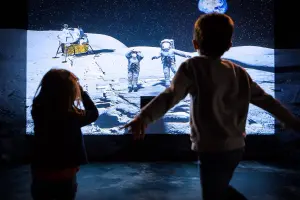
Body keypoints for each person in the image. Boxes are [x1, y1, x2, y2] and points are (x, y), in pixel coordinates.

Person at [121, 13, 300, 200]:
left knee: (213, 194)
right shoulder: (239, 73)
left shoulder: (192, 67)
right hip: (236, 148)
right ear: (229, 45)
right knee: (218, 190)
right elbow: (267, 101)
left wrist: (143, 117)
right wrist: (292, 121)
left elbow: (170, 96)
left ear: (195, 44)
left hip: (210, 149)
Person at [30, 68, 99, 200]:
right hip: (64, 176)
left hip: (40, 172)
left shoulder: (38, 109)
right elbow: (94, 113)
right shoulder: (72, 116)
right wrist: (82, 93)